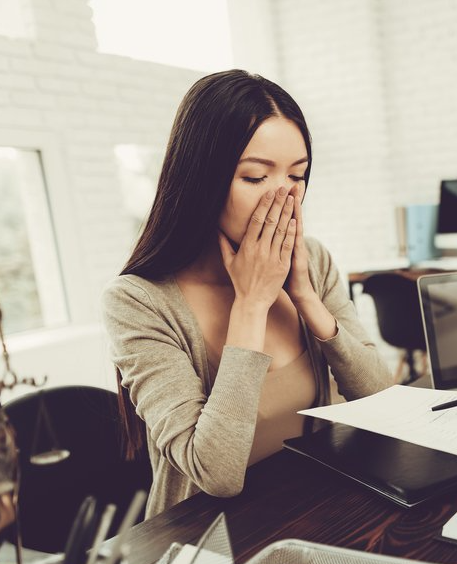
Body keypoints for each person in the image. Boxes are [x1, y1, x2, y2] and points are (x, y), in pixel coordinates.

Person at [101, 70, 393, 518]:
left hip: (311, 511)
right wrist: (252, 304)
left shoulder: (312, 261)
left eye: (298, 176)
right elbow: (215, 472)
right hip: (208, 535)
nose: (283, 198)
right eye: (255, 177)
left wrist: (307, 300)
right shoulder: (138, 302)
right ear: (201, 181)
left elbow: (381, 401)